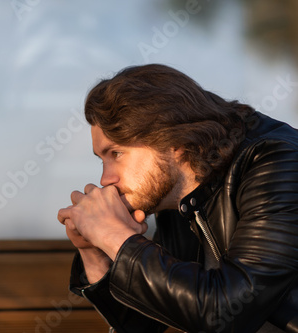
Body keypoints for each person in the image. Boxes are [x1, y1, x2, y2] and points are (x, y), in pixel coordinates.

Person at [57, 64, 298, 333]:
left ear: (171, 138)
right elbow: (143, 323)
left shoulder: (277, 163)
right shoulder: (177, 197)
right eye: (102, 160)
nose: (105, 179)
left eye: (116, 153)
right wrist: (95, 253)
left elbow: (228, 314)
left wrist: (116, 236)